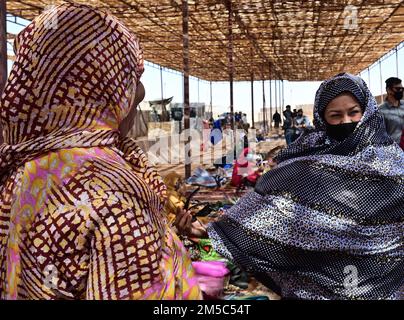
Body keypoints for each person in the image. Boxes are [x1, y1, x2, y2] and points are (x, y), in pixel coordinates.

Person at [0, 4, 202, 300]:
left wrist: (166, 234)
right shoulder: (113, 195)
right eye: (130, 80)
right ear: (109, 90)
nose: (136, 94)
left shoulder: (20, 172)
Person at [176, 73, 404, 300]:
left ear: (367, 113)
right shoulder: (303, 167)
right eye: (335, 115)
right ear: (322, 119)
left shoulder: (395, 163)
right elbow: (267, 215)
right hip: (317, 290)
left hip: (383, 286)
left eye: (354, 112)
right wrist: (211, 232)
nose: (346, 121)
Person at [379, 77, 404, 144]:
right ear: (388, 90)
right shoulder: (381, 111)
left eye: (402, 89)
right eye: (398, 89)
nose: (401, 91)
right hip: (395, 150)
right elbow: (380, 135)